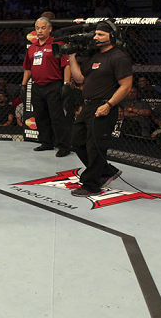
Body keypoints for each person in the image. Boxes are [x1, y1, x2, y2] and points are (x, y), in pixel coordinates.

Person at [67, 22, 132, 197]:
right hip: (88, 106)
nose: (96, 37)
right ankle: (106, 171)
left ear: (112, 36)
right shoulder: (94, 57)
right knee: (77, 141)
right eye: (95, 34)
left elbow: (126, 86)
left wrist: (109, 105)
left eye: (101, 34)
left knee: (95, 146)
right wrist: (71, 57)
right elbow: (80, 79)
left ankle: (91, 185)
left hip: (104, 106)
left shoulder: (119, 57)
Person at [21, 17, 71, 157]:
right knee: (40, 116)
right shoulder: (32, 47)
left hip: (53, 85)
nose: (40, 30)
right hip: (37, 86)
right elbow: (28, 68)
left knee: (57, 117)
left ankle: (63, 146)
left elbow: (66, 65)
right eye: (37, 28)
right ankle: (46, 142)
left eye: (43, 28)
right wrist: (24, 84)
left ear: (50, 29)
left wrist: (66, 83)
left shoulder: (57, 44)